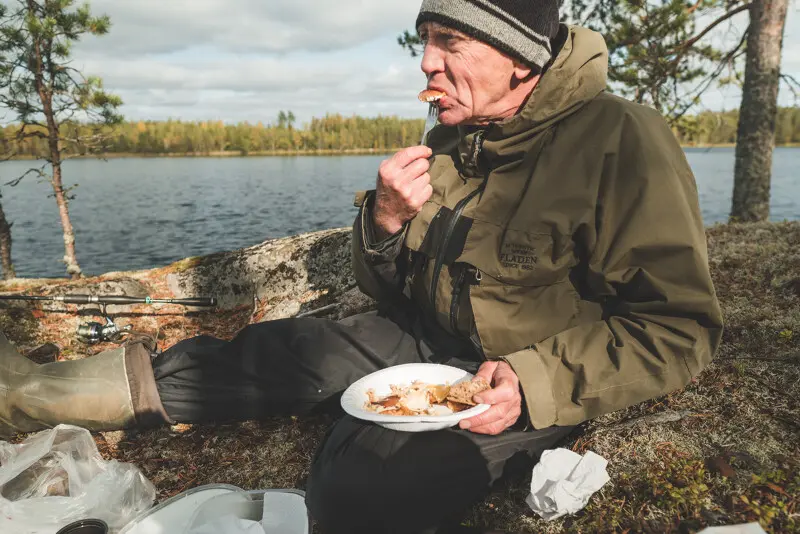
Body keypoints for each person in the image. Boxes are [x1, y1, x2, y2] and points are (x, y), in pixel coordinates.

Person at [0, 0, 723, 532]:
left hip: (536, 369)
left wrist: (534, 383)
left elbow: (679, 328)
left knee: (362, 487)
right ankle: (32, 391)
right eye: (424, 40)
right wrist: (384, 223)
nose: (426, 63)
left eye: (449, 42)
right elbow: (393, 285)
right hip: (427, 337)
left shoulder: (620, 139)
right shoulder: (451, 133)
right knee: (272, 352)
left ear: (518, 54)